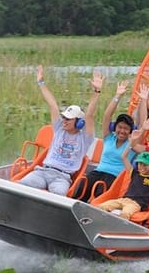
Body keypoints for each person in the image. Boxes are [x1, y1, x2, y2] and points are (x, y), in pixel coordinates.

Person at [17, 65, 102, 196]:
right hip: (43, 172)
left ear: (79, 123)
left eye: (68, 119)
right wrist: (41, 82)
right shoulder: (59, 128)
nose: (64, 121)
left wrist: (96, 92)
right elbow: (52, 104)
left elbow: (90, 115)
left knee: (59, 196)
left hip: (62, 178)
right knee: (20, 186)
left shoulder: (85, 138)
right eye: (64, 118)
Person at [77, 80, 144, 201]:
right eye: (120, 127)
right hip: (99, 172)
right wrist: (118, 96)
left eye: (126, 129)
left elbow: (143, 125)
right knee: (81, 187)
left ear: (130, 131)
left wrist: (143, 101)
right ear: (115, 127)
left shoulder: (132, 143)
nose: (122, 131)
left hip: (115, 178)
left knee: (99, 193)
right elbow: (107, 116)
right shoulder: (109, 137)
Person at [96, 144, 149, 220]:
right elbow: (123, 157)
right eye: (140, 164)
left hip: (136, 204)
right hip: (123, 200)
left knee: (125, 214)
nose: (142, 166)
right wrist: (131, 144)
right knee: (101, 207)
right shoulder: (134, 173)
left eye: (145, 165)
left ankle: (119, 230)